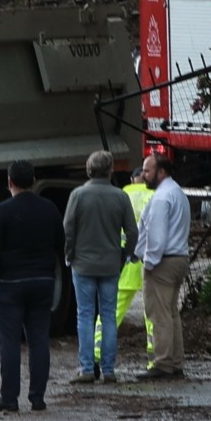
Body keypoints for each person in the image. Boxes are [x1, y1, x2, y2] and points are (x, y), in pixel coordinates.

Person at [0, 160, 65, 413]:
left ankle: (9, 397)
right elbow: (59, 242)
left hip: (9, 284)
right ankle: (37, 397)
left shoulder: (2, 212)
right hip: (42, 281)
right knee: (39, 339)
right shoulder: (49, 208)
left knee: (9, 341)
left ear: (9, 182)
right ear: (34, 180)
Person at [61, 150, 138, 384]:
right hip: (110, 264)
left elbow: (68, 228)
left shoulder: (78, 195)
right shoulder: (120, 196)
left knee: (85, 315)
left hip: (83, 263)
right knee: (108, 316)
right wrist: (125, 254)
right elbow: (132, 231)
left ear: (88, 170)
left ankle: (86, 368)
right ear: (111, 170)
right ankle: (109, 369)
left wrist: (69, 254)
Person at [136, 152, 192, 380]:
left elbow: (156, 235)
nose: (143, 175)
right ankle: (175, 362)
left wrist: (149, 262)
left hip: (163, 262)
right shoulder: (177, 192)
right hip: (179, 258)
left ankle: (163, 363)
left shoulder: (161, 198)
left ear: (161, 172)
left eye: (147, 170)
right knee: (170, 313)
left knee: (159, 314)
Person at [103, 167, 155, 356]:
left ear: (132, 179)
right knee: (152, 311)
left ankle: (97, 351)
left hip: (125, 258)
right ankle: (154, 354)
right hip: (149, 259)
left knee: (113, 309)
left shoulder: (122, 194)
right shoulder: (154, 196)